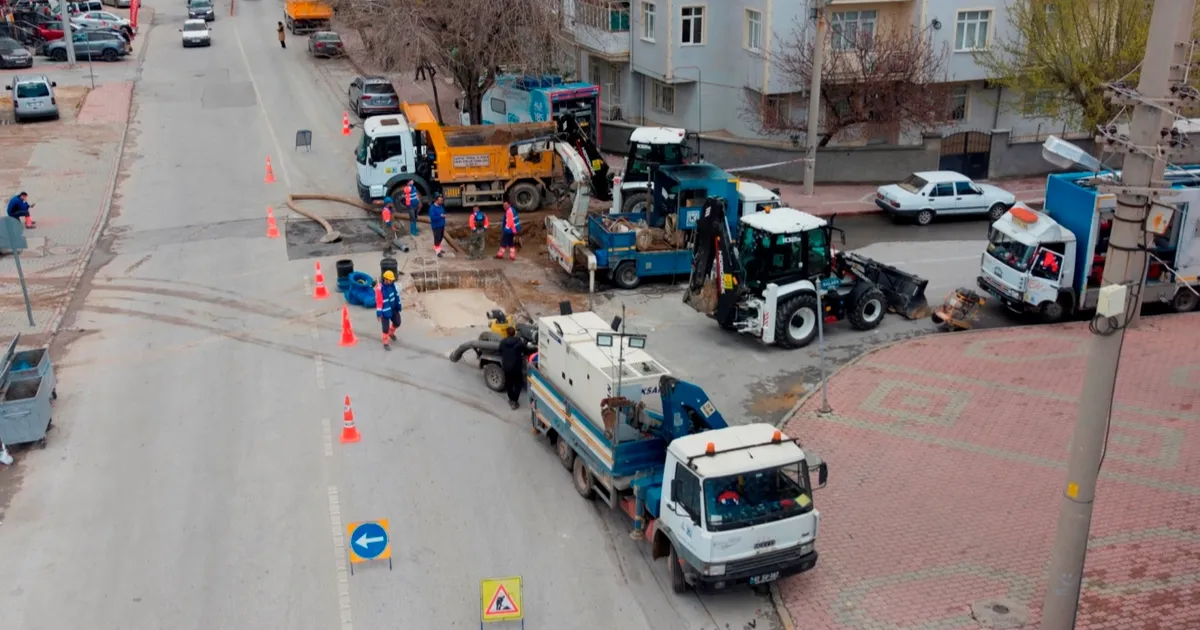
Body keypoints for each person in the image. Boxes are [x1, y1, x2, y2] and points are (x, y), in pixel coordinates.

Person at [497, 326, 526, 409]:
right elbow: (525, 350)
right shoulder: (519, 342)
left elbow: (500, 351)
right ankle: (515, 401)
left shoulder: (503, 342)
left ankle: (511, 399)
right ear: (514, 333)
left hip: (507, 367)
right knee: (518, 384)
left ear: (507, 333)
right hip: (516, 367)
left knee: (509, 384)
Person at [374, 270, 402, 350]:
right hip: (385, 311)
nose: (391, 281)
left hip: (393, 309)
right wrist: (379, 314)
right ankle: (385, 341)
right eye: (390, 280)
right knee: (385, 328)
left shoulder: (393, 286)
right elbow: (379, 302)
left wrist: (399, 305)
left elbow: (396, 296)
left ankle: (391, 332)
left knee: (397, 322)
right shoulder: (379, 289)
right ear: (385, 279)